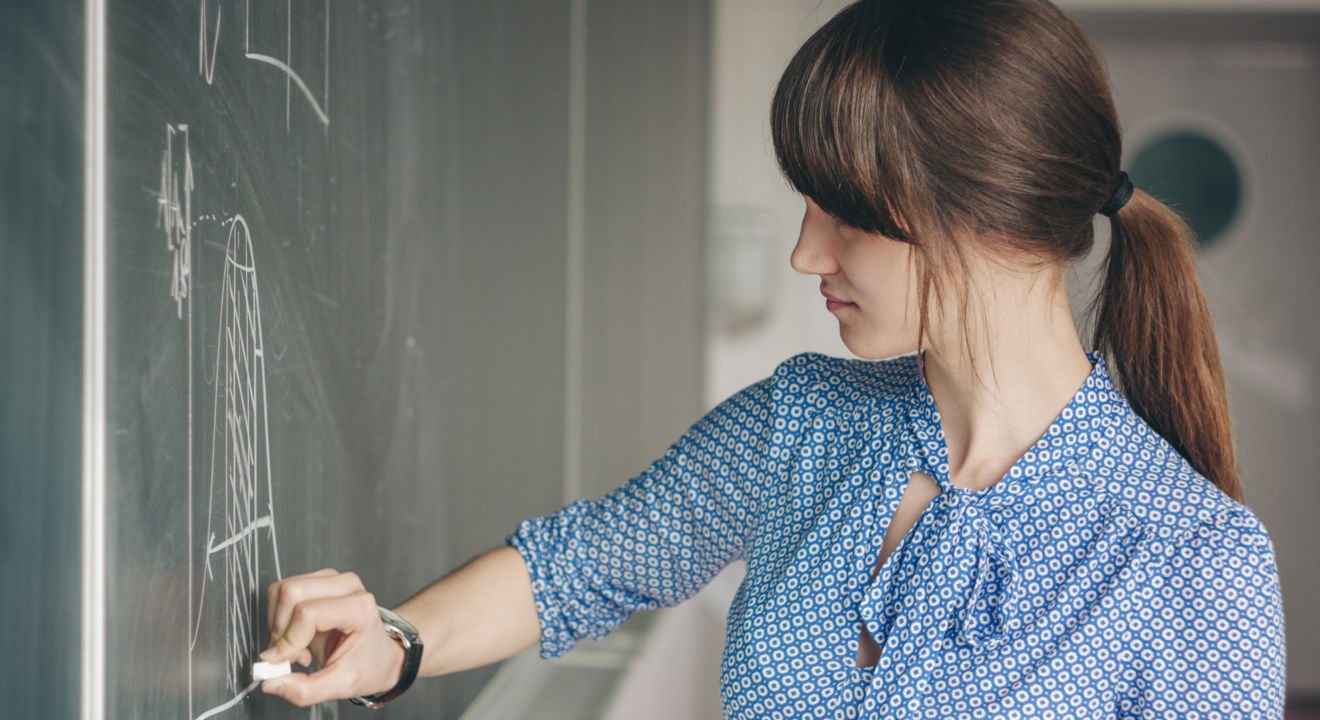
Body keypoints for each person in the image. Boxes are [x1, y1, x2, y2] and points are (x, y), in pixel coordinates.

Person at [259, 0, 1287, 716]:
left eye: (843, 213)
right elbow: (573, 570)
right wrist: (394, 645)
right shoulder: (803, 422)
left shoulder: (1195, 560)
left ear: (983, 220)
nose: (805, 253)